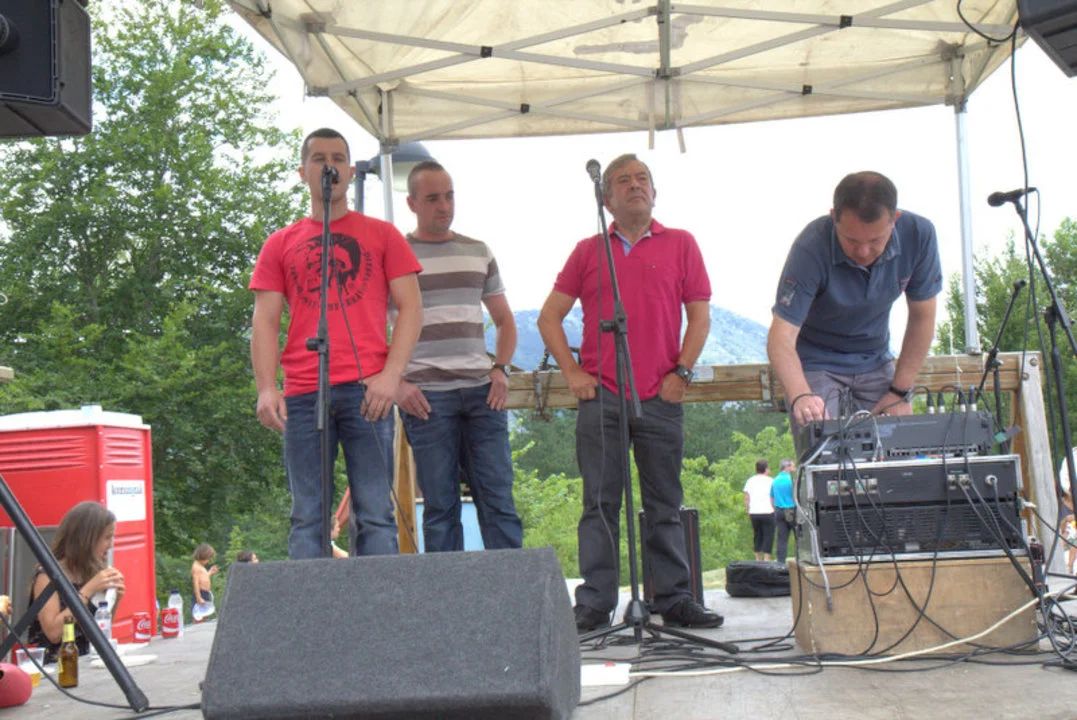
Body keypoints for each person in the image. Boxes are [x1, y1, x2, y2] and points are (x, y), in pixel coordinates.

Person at [538, 153, 721, 632]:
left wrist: (682, 373)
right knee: (599, 504)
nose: (634, 185)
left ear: (655, 193)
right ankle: (596, 602)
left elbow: (700, 317)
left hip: (660, 394)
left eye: (642, 179)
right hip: (602, 396)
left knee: (665, 502)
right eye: (623, 181)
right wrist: (573, 373)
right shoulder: (587, 251)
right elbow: (549, 317)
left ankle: (674, 598)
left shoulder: (682, 243)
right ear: (606, 199)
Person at [249, 127, 423, 560]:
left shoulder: (383, 235)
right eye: (320, 158)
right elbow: (265, 321)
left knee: (376, 512)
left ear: (350, 171)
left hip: (369, 391)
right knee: (308, 515)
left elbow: (411, 309)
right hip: (305, 392)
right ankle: (311, 604)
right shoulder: (280, 243)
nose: (330, 166)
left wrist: (391, 376)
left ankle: (378, 601)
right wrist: (266, 388)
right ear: (303, 172)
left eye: (339, 158)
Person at [392, 160, 523, 552]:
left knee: (499, 502)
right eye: (433, 198)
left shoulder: (477, 251)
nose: (444, 206)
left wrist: (501, 370)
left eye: (449, 196)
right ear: (412, 203)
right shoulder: (395, 254)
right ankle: (446, 591)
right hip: (426, 397)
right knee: (440, 508)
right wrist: (396, 384)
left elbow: (505, 321)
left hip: (483, 393)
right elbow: (372, 327)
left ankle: (512, 586)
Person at [767, 171, 943, 434]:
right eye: (851, 240)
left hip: (875, 358)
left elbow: (922, 318)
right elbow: (781, 337)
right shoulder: (810, 246)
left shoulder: (919, 235)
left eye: (875, 240)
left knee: (890, 445)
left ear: (894, 220)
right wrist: (801, 395)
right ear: (834, 218)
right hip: (816, 360)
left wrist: (900, 391)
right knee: (822, 444)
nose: (863, 252)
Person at [27, 502, 125, 661]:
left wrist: (115, 598)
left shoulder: (93, 571)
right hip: (59, 663)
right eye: (107, 538)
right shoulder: (48, 576)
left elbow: (100, 630)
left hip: (89, 659)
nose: (111, 544)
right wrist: (88, 591)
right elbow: (53, 633)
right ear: (86, 539)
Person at [743, 459, 775, 562]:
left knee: (757, 534)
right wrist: (774, 508)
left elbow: (747, 497)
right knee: (768, 534)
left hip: (754, 512)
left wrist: (748, 510)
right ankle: (766, 558)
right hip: (768, 511)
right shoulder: (771, 481)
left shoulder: (750, 481)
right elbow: (773, 497)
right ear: (766, 469)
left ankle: (757, 557)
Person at [770, 458, 797, 564]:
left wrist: (775, 509)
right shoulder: (792, 480)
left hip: (779, 511)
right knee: (799, 537)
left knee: (781, 539)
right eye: (793, 466)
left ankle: (781, 562)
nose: (794, 469)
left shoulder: (775, 481)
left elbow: (771, 498)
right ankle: (800, 558)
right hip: (792, 511)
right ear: (787, 467)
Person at [191, 544, 218, 621]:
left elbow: (203, 578)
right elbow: (196, 582)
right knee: (199, 616)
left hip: (206, 593)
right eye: (208, 559)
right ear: (203, 556)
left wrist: (210, 572)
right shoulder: (196, 567)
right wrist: (198, 597)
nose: (208, 561)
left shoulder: (201, 567)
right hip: (201, 593)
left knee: (205, 615)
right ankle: (196, 626)